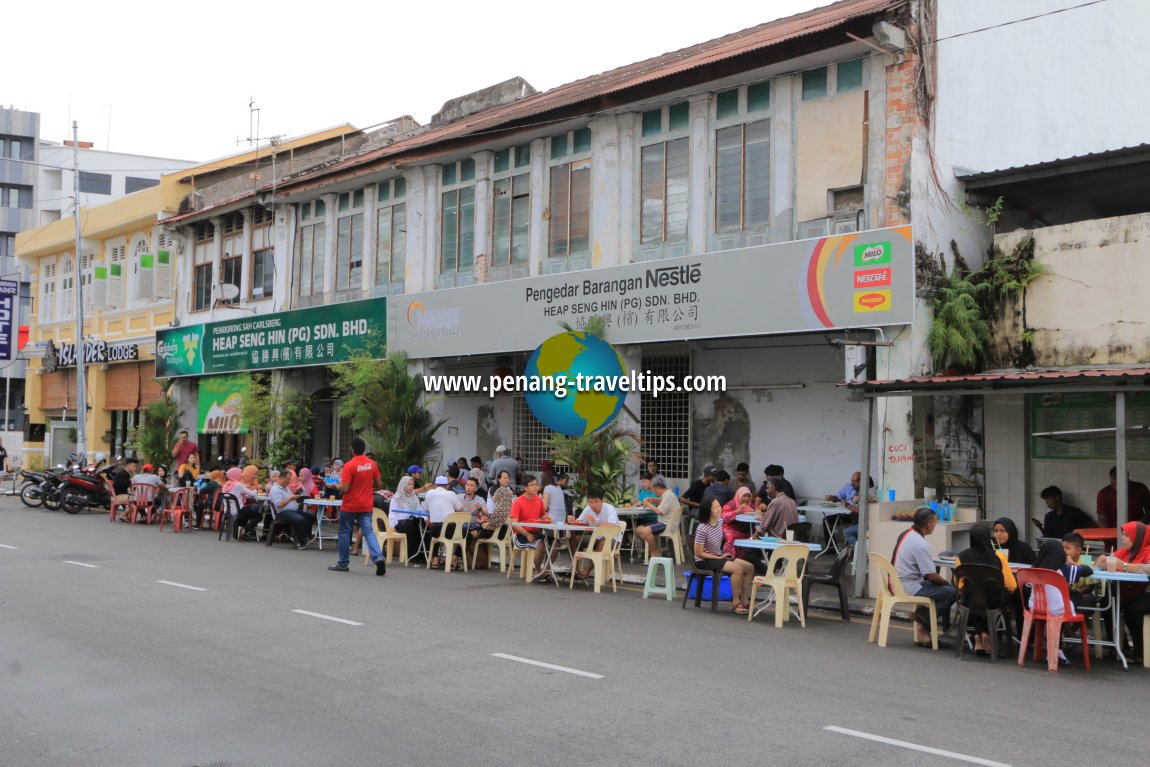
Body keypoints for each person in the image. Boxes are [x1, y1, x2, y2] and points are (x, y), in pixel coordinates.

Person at [892, 506, 957, 646]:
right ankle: (922, 618)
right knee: (951, 592)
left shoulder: (906, 534)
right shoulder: (921, 544)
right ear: (928, 524)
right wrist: (946, 584)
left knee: (941, 590)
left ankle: (923, 625)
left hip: (895, 581)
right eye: (934, 522)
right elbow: (932, 576)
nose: (935, 525)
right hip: (908, 585)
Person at [954, 523, 1018, 656]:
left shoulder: (961, 556)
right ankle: (986, 633)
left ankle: (978, 635)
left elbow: (959, 584)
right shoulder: (999, 556)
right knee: (987, 600)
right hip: (994, 601)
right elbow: (1011, 585)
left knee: (970, 598)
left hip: (970, 601)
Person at [328, 437, 387, 576]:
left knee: (344, 532)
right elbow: (379, 483)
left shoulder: (349, 465)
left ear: (352, 450)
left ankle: (343, 563)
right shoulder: (372, 464)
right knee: (368, 531)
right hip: (366, 504)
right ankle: (378, 558)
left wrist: (335, 485)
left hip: (350, 504)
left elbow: (345, 488)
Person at [1096, 521, 1150, 662]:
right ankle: (1119, 647)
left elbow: (1148, 569)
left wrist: (1125, 566)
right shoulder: (1124, 552)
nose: (1123, 538)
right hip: (1129, 592)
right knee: (1107, 602)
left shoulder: (1148, 551)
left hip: (1146, 593)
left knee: (1132, 610)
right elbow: (1105, 563)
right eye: (1123, 535)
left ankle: (1140, 653)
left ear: (1138, 538)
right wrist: (1101, 562)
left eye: (1127, 535)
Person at [694, 497, 755, 615]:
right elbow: (698, 553)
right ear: (708, 510)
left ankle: (745, 601)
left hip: (719, 556)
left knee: (750, 567)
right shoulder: (702, 528)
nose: (719, 509)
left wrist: (739, 510)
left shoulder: (720, 521)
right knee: (737, 569)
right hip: (703, 560)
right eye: (715, 507)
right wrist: (718, 557)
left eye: (719, 506)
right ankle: (736, 603)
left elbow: (728, 516)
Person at [570, 487, 621, 579]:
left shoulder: (609, 508)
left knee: (603, 541)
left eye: (596, 502)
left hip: (613, 538)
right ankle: (576, 570)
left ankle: (587, 571)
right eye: (591, 502)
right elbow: (579, 522)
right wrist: (572, 520)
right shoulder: (587, 509)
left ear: (602, 501)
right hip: (595, 537)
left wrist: (596, 523)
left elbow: (613, 525)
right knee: (574, 540)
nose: (593, 505)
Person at [510, 474, 550, 581]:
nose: (535, 487)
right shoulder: (518, 502)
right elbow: (513, 523)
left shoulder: (538, 500)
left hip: (535, 533)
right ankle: (537, 571)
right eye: (532, 485)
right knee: (541, 544)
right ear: (525, 487)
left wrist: (546, 517)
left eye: (537, 484)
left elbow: (542, 515)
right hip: (521, 535)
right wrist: (527, 534)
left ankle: (545, 569)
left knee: (555, 543)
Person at [635, 477, 682, 558]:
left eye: (654, 490)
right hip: (663, 522)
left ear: (658, 488)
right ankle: (653, 549)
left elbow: (659, 511)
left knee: (646, 531)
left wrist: (649, 504)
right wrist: (653, 500)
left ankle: (655, 552)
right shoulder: (667, 495)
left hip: (667, 524)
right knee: (638, 530)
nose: (654, 493)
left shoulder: (669, 496)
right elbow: (661, 501)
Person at [268, 470, 315, 550]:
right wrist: (291, 498)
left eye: (289, 480)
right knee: (300, 519)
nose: (289, 482)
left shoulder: (286, 488)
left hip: (292, 510)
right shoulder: (275, 489)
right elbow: (279, 504)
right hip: (281, 512)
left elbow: (290, 498)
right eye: (287, 479)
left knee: (309, 517)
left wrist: (295, 497)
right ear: (281, 478)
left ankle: (303, 537)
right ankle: (301, 542)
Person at [425, 475, 463, 569]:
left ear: (435, 485)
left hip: (435, 529)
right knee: (468, 535)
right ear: (447, 486)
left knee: (434, 534)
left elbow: (426, 509)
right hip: (449, 530)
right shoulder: (451, 494)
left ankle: (434, 559)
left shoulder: (429, 493)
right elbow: (460, 510)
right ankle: (453, 558)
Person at [221, 466, 261, 538]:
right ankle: (244, 530)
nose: (242, 475)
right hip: (238, 510)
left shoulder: (226, 484)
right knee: (259, 516)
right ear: (236, 474)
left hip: (227, 510)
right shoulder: (238, 484)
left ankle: (236, 533)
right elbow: (252, 494)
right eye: (240, 473)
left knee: (246, 513)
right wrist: (257, 488)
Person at [720, 486, 755, 558]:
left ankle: (743, 560)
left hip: (745, 530)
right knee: (731, 537)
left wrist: (760, 509)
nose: (747, 498)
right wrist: (737, 511)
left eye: (749, 496)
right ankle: (728, 558)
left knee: (753, 538)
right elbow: (723, 517)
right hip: (730, 528)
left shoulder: (751, 505)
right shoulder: (730, 504)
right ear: (739, 496)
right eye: (744, 496)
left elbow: (758, 514)